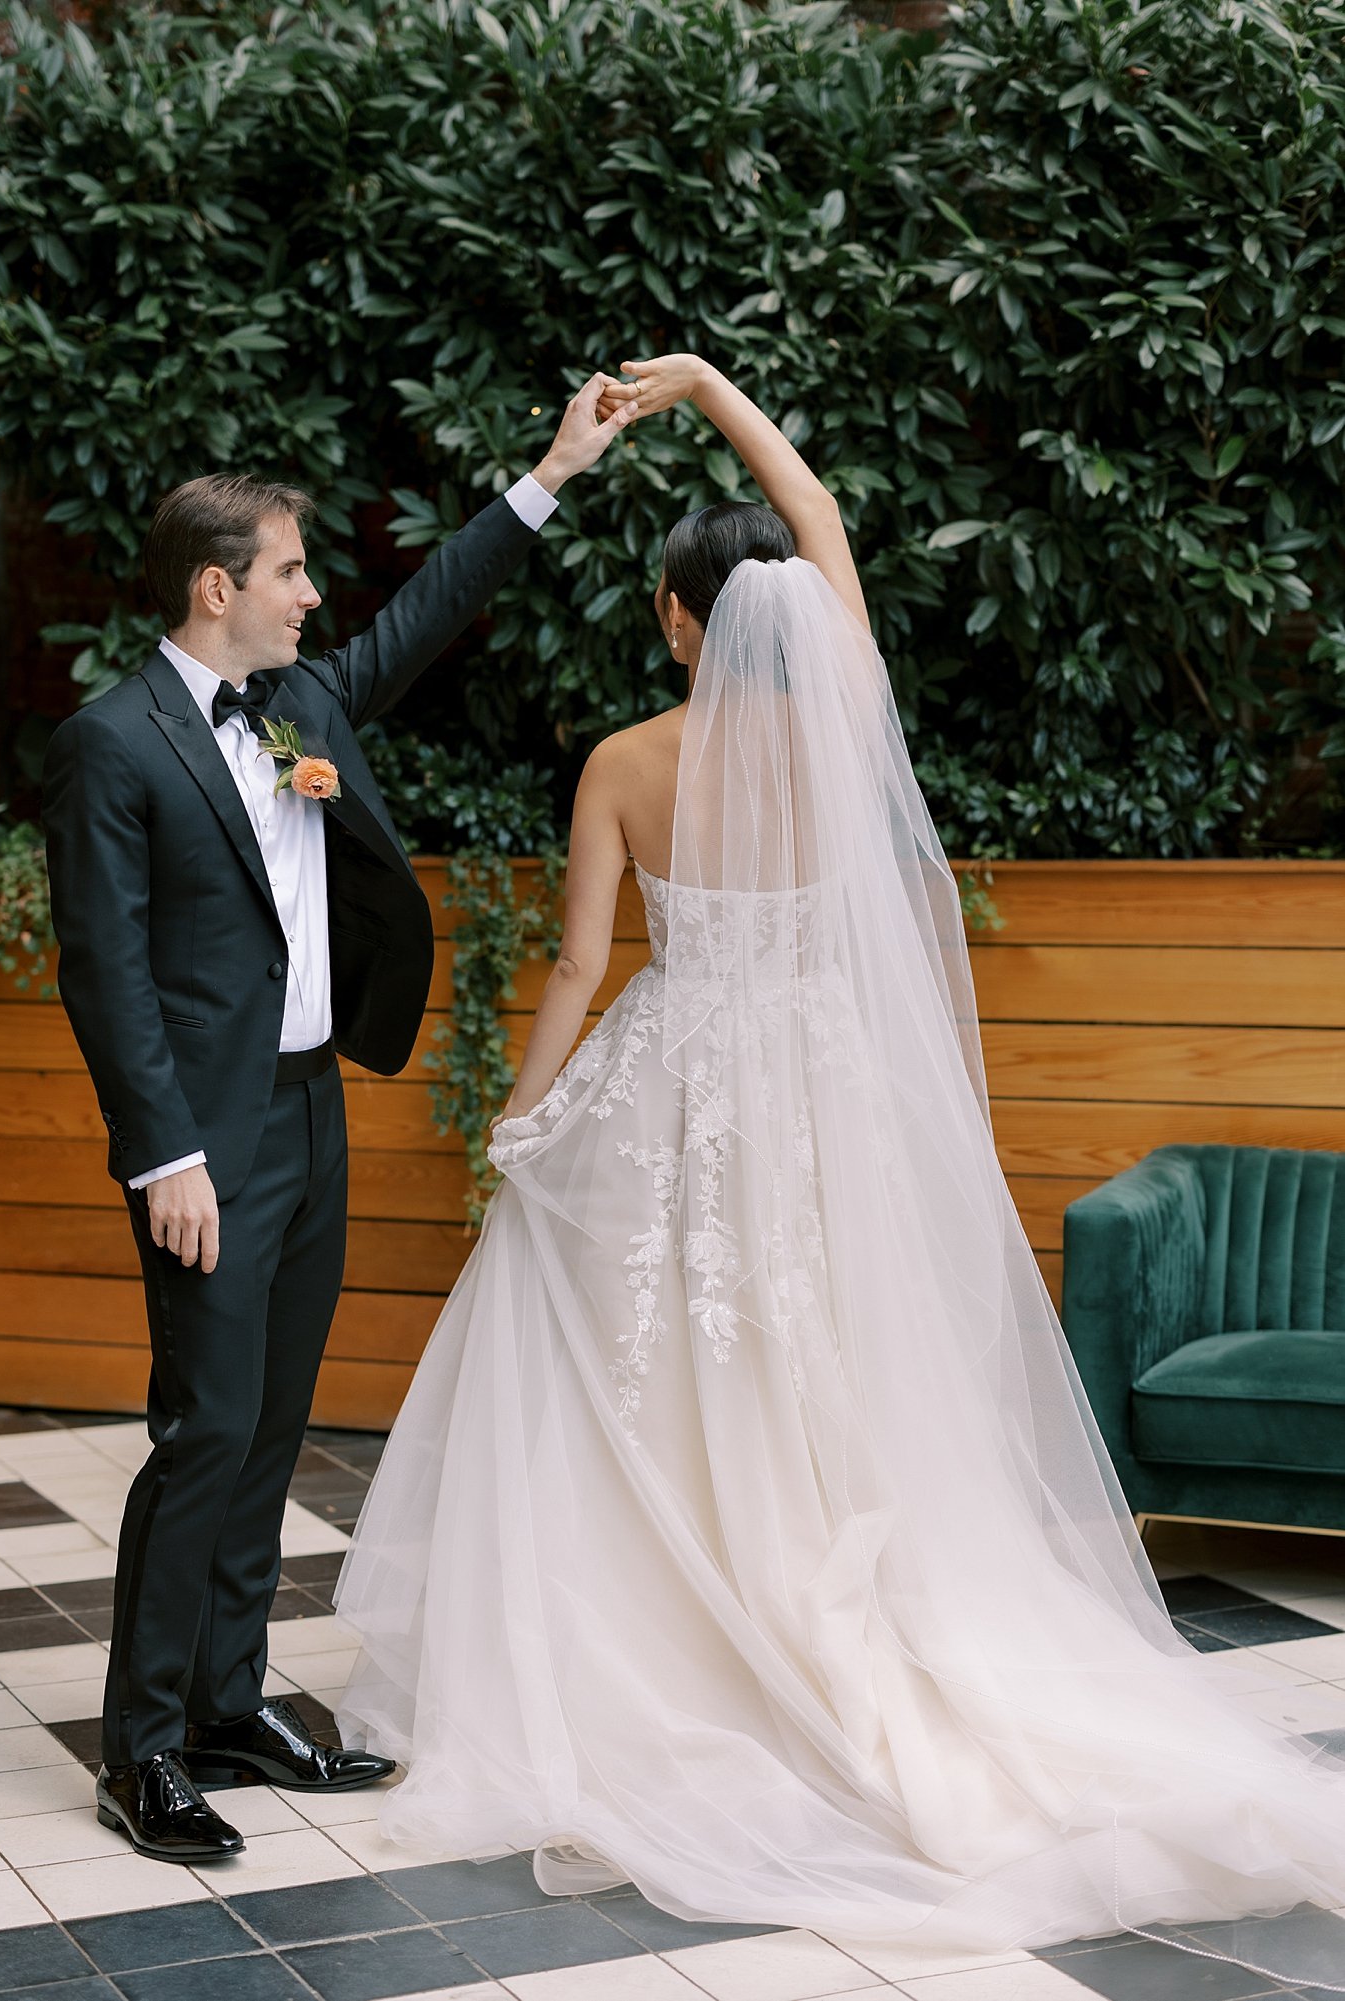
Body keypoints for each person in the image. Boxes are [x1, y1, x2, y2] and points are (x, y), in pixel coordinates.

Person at [331, 355, 1345, 1989]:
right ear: (789, 608)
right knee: (832, 1378)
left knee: (652, 1382)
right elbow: (810, 513)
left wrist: (524, 1128)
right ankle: (838, 1629)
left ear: (681, 619)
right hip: (828, 1095)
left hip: (680, 1091)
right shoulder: (847, 710)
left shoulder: (622, 763)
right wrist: (714, 387)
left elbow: (584, 967)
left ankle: (674, 1652)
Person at [42, 372, 637, 1863]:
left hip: (315, 1112)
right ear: (216, 585)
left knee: (277, 1420)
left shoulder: (302, 699)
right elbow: (104, 969)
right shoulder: (113, 747)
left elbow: (424, 614)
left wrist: (554, 471)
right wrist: (164, 1153)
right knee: (207, 1424)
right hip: (208, 1140)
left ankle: (234, 1700)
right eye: (294, 570)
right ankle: (148, 1746)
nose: (316, 595)